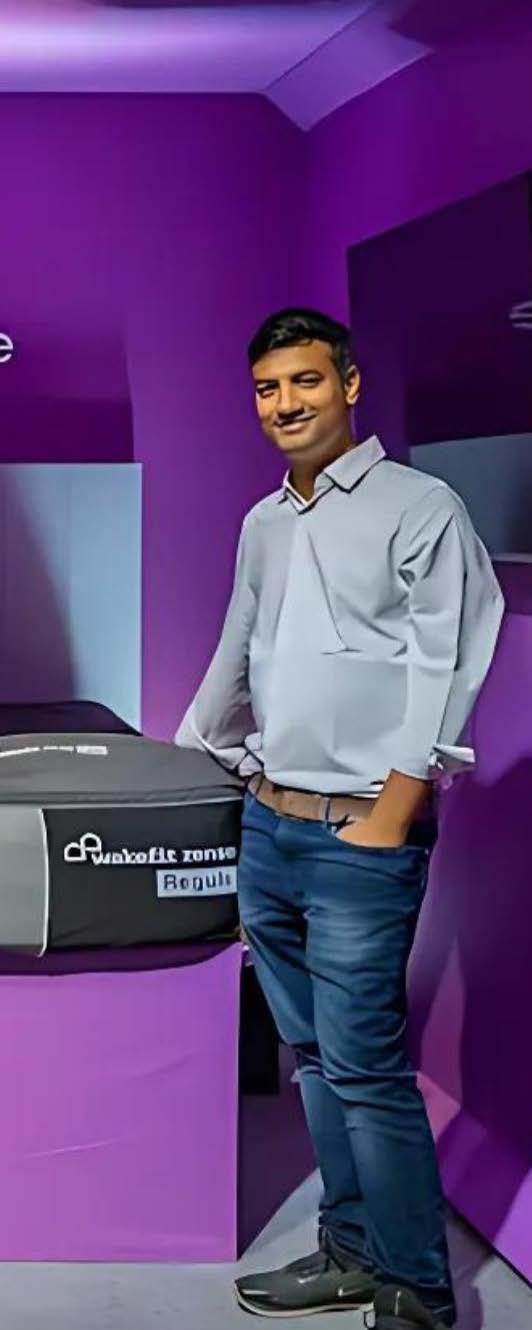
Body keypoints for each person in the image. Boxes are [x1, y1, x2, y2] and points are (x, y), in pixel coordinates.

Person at [175, 308, 505, 1329]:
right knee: (314, 1058)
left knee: (364, 1064)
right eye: (268, 388)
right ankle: (353, 1251)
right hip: (270, 826)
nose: (285, 404)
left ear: (349, 385)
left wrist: (391, 813)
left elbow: (450, 656)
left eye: (305, 381)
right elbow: (240, 651)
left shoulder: (421, 505)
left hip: (360, 832)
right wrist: (199, 762)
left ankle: (417, 1291)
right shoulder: (263, 522)